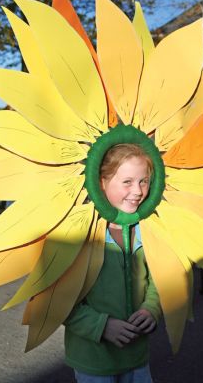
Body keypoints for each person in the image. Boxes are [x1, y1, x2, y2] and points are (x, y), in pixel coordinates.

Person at [64, 143, 162, 383]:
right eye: (127, 182)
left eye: (144, 181)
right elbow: (57, 299)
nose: (138, 191)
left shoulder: (149, 229)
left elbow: (159, 279)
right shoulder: (78, 234)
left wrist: (151, 308)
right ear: (102, 182)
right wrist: (101, 326)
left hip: (136, 359)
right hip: (92, 361)